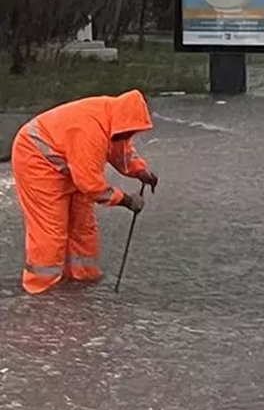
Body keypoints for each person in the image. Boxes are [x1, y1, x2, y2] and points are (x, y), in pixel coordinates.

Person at [10, 90, 157, 295]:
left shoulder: (114, 119)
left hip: (68, 162)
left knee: (83, 226)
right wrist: (126, 200)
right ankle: (41, 290)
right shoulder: (90, 132)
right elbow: (92, 187)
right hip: (36, 160)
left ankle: (82, 278)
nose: (129, 136)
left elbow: (120, 149)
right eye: (130, 132)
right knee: (51, 230)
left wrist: (140, 170)